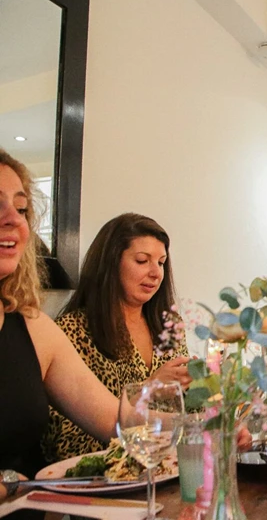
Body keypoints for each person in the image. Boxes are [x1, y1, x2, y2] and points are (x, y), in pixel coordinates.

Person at [0, 149, 119, 500]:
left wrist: (206, 431)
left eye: (21, 209)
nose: (14, 221)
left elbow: (116, 419)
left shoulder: (32, 327)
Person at [42, 213, 191, 462]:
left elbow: (184, 410)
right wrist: (147, 390)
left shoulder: (169, 326)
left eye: (162, 262)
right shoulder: (72, 331)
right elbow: (64, 441)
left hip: (167, 470)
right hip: (103, 481)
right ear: (111, 263)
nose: (156, 273)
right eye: (143, 261)